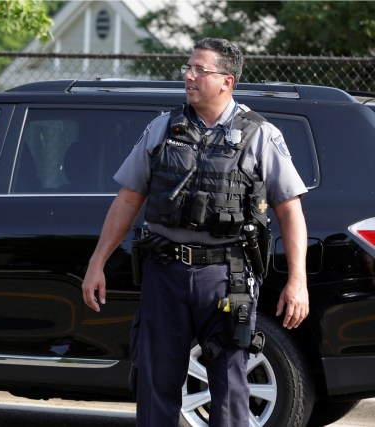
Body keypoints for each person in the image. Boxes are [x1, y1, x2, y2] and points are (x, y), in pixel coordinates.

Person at [81, 37, 309, 427]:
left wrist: (297, 281)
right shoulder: (162, 128)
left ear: (227, 81)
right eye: (188, 67)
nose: (189, 76)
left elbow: (291, 210)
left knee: (230, 388)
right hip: (164, 272)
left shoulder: (260, 135)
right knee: (155, 381)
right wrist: (97, 262)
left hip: (226, 279)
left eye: (199, 70)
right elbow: (127, 199)